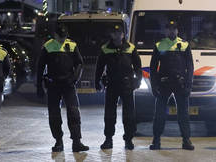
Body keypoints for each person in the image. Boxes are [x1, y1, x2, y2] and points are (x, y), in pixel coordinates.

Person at [36, 25, 89, 153]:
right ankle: (58, 141)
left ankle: (76, 142)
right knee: (54, 115)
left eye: (64, 36)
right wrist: (39, 86)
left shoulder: (71, 45)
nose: (62, 39)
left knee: (74, 113)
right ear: (55, 35)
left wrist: (74, 79)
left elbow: (80, 63)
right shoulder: (48, 46)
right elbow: (40, 66)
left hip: (68, 85)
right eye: (60, 37)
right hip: (53, 85)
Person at [95, 24, 142, 150]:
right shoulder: (105, 48)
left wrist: (138, 81)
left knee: (129, 115)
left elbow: (138, 67)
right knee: (109, 114)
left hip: (127, 85)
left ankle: (128, 140)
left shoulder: (131, 48)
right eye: (114, 33)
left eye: (119, 33)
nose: (117, 35)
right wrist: (97, 82)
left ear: (123, 34)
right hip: (112, 85)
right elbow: (99, 67)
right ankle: (108, 139)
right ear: (111, 34)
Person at [149, 20, 194, 150]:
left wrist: (188, 85)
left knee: (183, 114)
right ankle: (156, 140)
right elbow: (153, 68)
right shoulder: (159, 45)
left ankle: (186, 140)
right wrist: (154, 86)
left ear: (177, 30)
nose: (172, 31)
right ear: (165, 31)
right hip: (164, 84)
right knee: (159, 114)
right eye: (169, 29)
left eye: (174, 29)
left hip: (180, 84)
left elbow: (190, 67)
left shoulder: (184, 45)